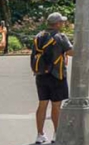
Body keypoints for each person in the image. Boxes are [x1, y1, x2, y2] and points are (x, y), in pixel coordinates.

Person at [30, 12, 73, 145]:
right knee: (56, 105)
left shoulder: (38, 36)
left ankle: (40, 134)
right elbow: (72, 52)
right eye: (62, 22)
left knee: (42, 104)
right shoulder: (60, 37)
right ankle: (57, 133)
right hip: (57, 74)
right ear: (57, 24)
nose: (63, 24)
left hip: (41, 74)